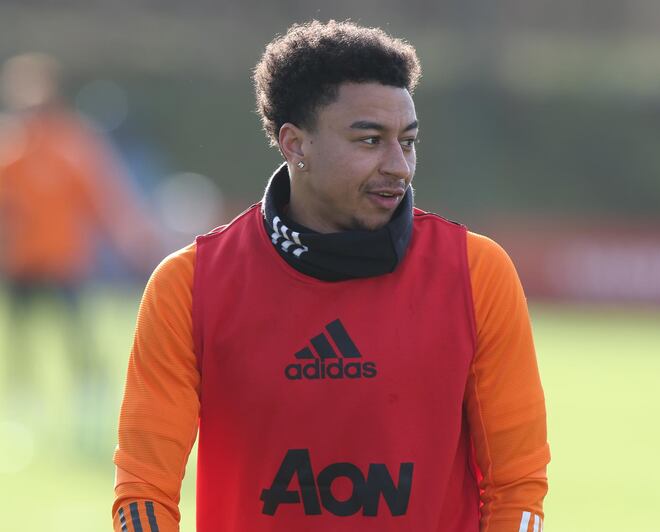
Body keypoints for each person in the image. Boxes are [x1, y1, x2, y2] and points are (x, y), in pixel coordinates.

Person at [112, 20, 549, 532]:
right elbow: (143, 490)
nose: (399, 166)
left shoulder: (478, 273)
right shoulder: (189, 285)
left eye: (407, 142)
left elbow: (517, 487)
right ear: (295, 144)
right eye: (369, 140)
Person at [0, 53, 155, 440]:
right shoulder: (11, 147)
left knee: (77, 339)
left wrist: (129, 245)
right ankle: (24, 411)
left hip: (63, 260)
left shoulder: (73, 144)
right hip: (21, 262)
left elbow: (102, 201)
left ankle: (89, 407)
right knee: (20, 344)